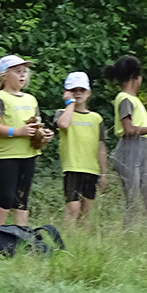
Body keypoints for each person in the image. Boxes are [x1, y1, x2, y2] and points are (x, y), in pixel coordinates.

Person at [0, 54, 52, 227]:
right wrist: (18, 131)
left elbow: (36, 125)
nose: (22, 75)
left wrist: (43, 134)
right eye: (17, 71)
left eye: (24, 71)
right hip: (6, 156)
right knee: (6, 197)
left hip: (29, 154)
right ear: (4, 75)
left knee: (22, 198)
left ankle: (22, 238)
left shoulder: (31, 99)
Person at [105, 55, 147, 223]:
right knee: (132, 200)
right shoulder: (125, 99)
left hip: (143, 150)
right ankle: (129, 234)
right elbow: (129, 129)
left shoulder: (133, 100)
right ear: (136, 77)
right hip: (130, 149)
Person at [54, 71, 108, 223]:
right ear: (66, 92)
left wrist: (104, 173)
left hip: (91, 168)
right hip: (73, 167)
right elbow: (63, 124)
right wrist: (69, 103)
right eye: (73, 90)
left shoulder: (96, 118)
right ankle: (66, 241)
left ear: (88, 92)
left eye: (82, 90)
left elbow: (101, 146)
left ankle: (82, 241)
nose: (78, 93)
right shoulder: (62, 113)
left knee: (86, 211)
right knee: (73, 207)